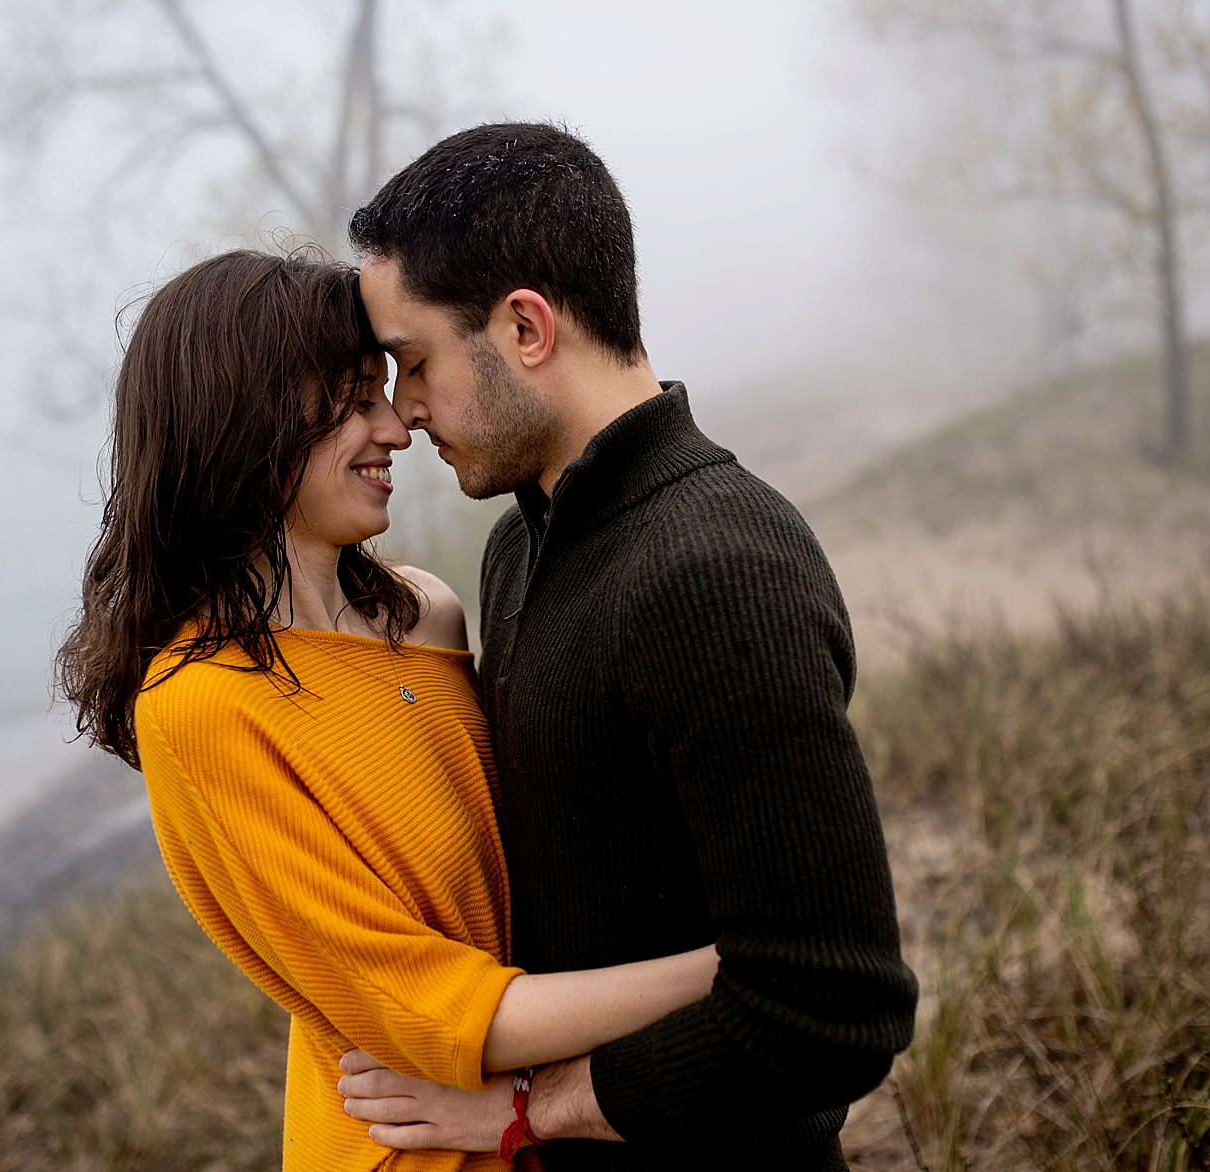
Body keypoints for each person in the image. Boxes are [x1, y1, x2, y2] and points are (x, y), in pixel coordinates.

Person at [55, 249, 722, 1172]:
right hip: (404, 1147)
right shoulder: (201, 704)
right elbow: (425, 1009)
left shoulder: (428, 612)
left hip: (544, 1123)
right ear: (242, 420)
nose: (396, 431)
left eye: (387, 389)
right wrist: (736, 971)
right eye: (352, 400)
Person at [336, 123, 919, 1170]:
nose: (404, 409)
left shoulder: (714, 568)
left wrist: (528, 1108)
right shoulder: (520, 546)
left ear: (525, 327)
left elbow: (833, 1006)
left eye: (414, 362)